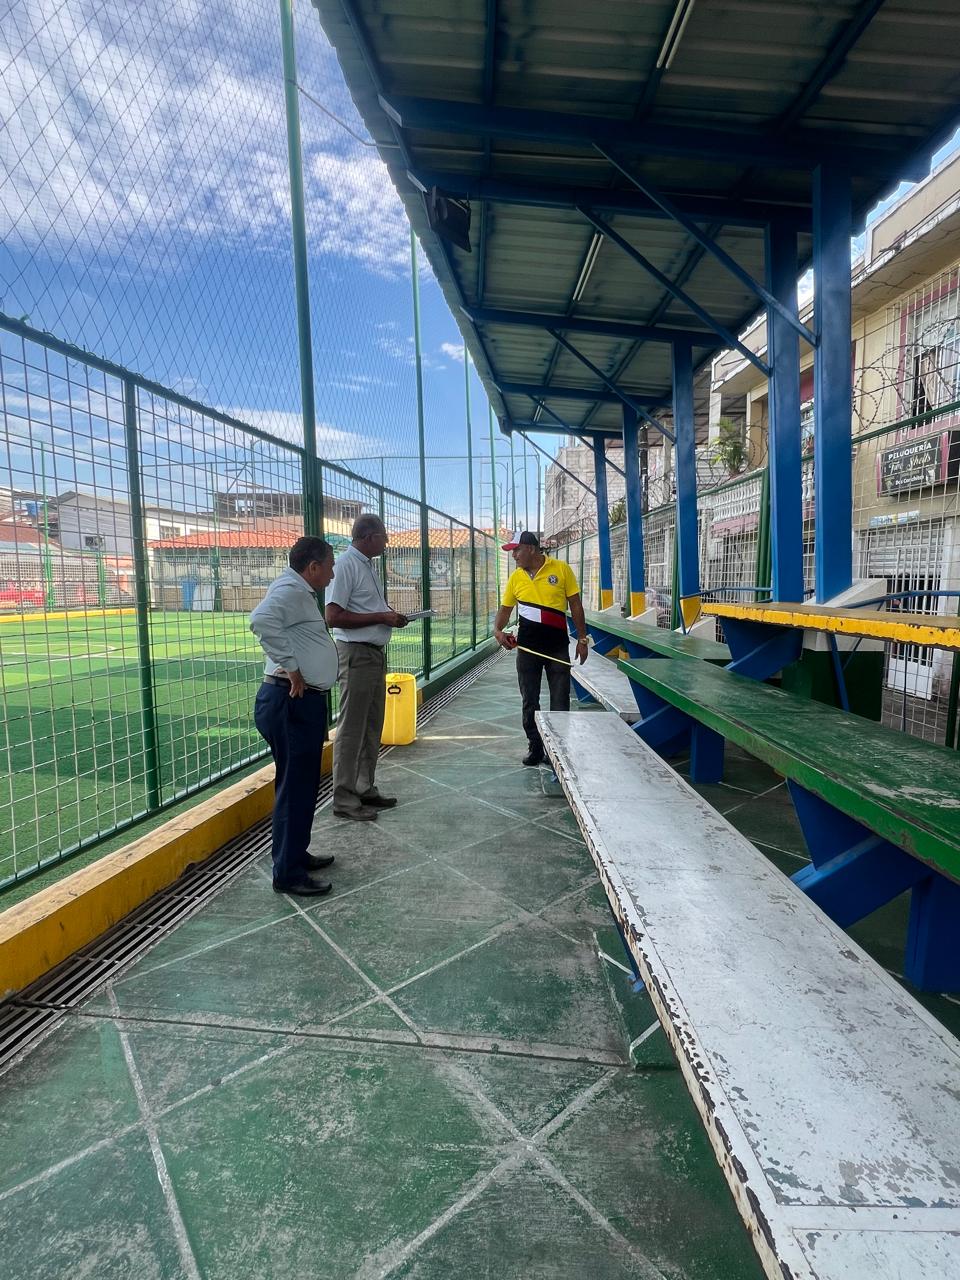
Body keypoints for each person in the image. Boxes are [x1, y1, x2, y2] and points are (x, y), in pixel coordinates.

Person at [250, 536, 339, 897]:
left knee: (301, 786)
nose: (332, 574)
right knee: (294, 788)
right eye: (329, 566)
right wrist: (292, 667)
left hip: (301, 703)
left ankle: (295, 855)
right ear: (313, 566)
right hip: (291, 702)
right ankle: (287, 873)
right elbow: (260, 620)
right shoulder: (289, 590)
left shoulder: (298, 590)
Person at [325, 513, 408, 820]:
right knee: (351, 729)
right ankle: (344, 799)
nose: (386, 542)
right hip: (356, 655)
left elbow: (366, 608)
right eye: (384, 537)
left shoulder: (367, 566)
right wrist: (381, 617)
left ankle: (364, 787)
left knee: (372, 725)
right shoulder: (346, 565)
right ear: (370, 537)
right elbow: (333, 616)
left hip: (372, 654)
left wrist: (388, 616)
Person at [493, 530, 589, 766]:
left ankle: (557, 750)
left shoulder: (561, 569)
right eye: (512, 551)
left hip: (557, 648)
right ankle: (535, 746)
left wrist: (582, 639)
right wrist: (497, 630)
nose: (514, 555)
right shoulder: (516, 578)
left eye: (517, 550)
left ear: (531, 549)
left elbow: (575, 604)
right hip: (528, 650)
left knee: (560, 701)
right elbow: (506, 609)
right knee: (529, 701)